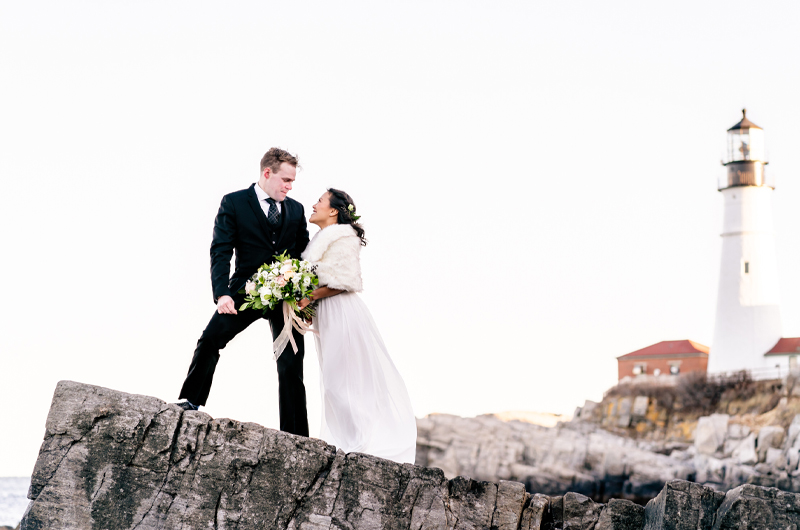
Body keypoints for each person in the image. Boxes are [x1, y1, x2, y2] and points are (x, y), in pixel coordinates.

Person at [176, 148, 311, 437]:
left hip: (285, 297)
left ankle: (296, 433)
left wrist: (306, 303)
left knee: (291, 361)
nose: (289, 186)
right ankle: (189, 401)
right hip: (244, 291)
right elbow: (221, 249)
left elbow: (303, 256)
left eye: (292, 182)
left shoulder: (297, 210)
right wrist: (222, 293)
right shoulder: (235, 202)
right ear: (267, 173)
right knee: (211, 340)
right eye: (285, 180)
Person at [299, 189, 417, 464]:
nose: (313, 204)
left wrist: (309, 299)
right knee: (332, 380)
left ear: (333, 211)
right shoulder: (321, 238)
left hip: (342, 313)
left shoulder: (343, 236)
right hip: (326, 314)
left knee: (341, 381)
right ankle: (348, 441)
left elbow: (345, 281)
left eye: (320, 201)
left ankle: (360, 443)